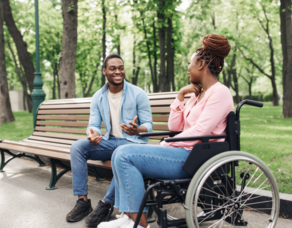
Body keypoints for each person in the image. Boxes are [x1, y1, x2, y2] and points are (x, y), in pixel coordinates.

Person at [97, 34, 234, 228]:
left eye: (191, 63)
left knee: (124, 155)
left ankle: (137, 222)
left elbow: (200, 131)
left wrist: (168, 142)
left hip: (195, 158)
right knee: (119, 153)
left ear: (202, 65)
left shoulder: (220, 92)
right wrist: (181, 96)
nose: (188, 67)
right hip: (183, 153)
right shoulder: (197, 94)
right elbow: (175, 128)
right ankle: (130, 218)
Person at [66, 54, 153, 226]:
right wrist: (93, 134)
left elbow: (149, 125)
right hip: (110, 140)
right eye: (113, 68)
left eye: (121, 68)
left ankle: (105, 204)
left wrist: (138, 129)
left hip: (132, 143)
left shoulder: (138, 94)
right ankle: (83, 202)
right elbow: (94, 124)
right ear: (105, 71)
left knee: (122, 156)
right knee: (77, 147)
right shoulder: (98, 96)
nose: (118, 71)